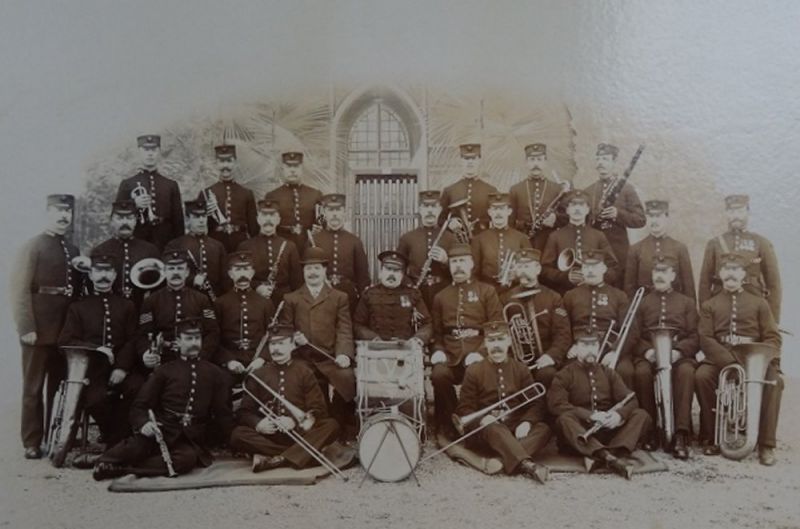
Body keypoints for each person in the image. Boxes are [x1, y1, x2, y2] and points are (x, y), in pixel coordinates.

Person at [92, 318, 233, 480]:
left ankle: (122, 469)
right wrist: (144, 424)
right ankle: (104, 462)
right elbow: (140, 406)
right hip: (162, 428)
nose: (194, 343)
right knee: (136, 446)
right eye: (188, 339)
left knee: (185, 460)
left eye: (197, 338)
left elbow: (223, 412)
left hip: (189, 437)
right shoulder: (165, 371)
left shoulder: (214, 374)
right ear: (178, 342)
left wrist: (234, 439)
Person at [695, 252, 782, 465]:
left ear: (744, 274)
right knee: (701, 376)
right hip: (722, 357)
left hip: (754, 358)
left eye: (735, 270)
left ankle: (766, 444)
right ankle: (711, 437)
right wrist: (728, 361)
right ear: (720, 274)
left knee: (775, 382)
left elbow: (773, 337)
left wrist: (764, 359)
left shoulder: (759, 303)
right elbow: (705, 338)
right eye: (726, 269)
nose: (730, 274)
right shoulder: (710, 305)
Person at [12, 194, 80, 459]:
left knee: (59, 387)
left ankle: (57, 438)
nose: (64, 216)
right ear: (47, 213)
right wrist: (26, 327)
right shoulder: (33, 246)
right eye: (58, 211)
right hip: (37, 331)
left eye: (67, 211)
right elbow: (18, 290)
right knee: (33, 388)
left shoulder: (73, 250)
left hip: (63, 332)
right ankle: (31, 441)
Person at [229, 324, 340, 472]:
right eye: (272, 344)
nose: (276, 349)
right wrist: (258, 424)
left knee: (331, 425)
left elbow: (319, 410)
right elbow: (244, 412)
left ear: (292, 345)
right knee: (237, 435)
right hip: (270, 436)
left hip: (300, 433)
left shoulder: (304, 372)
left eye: (281, 343)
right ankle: (303, 454)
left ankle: (278, 459)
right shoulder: (258, 375)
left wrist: (294, 421)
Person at [58, 253, 140, 446]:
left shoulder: (127, 306)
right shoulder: (78, 307)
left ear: (114, 275)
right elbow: (65, 340)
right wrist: (96, 349)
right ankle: (117, 440)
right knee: (96, 400)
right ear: (91, 275)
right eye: (98, 271)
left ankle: (117, 439)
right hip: (92, 372)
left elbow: (133, 339)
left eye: (108, 271)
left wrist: (122, 367)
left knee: (138, 388)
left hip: (122, 368)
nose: (103, 276)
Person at [548, 328, 652, 479]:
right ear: (576, 348)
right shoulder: (564, 375)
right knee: (564, 420)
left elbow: (631, 399)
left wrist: (618, 415)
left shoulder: (608, 372)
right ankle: (609, 457)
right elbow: (556, 405)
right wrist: (591, 416)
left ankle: (601, 456)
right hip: (581, 431)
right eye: (585, 345)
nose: (590, 350)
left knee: (641, 415)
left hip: (606, 430)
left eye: (594, 345)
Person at [454, 320, 552, 483]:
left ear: (509, 341)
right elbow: (464, 408)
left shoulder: (520, 369)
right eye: (491, 341)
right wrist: (481, 419)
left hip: (514, 427)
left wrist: (527, 422)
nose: (496, 345)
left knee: (544, 429)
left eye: (500, 340)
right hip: (486, 431)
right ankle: (528, 465)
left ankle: (502, 460)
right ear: (485, 343)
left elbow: (537, 404)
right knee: (494, 428)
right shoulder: (474, 370)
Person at [280, 247, 357, 437]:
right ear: (303, 272)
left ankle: (340, 425)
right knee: (303, 378)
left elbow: (344, 329)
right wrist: (295, 339)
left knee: (346, 377)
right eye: (308, 269)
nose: (312, 273)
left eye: (316, 268)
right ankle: (317, 428)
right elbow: (285, 329)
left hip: (330, 357)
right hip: (303, 358)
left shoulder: (339, 297)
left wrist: (344, 354)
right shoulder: (292, 298)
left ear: (324, 270)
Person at [430, 243, 503, 439]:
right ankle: (447, 423)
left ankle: (472, 423)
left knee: (475, 371)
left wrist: (480, 352)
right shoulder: (440, 296)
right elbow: (437, 333)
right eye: (454, 262)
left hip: (478, 351)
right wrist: (438, 349)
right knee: (438, 374)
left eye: (462, 261)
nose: (458, 266)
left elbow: (496, 327)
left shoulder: (486, 291)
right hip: (451, 353)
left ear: (471, 263)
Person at [629, 255, 699, 458]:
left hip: (677, 355)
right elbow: (634, 335)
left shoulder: (686, 302)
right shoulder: (642, 303)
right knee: (641, 372)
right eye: (656, 272)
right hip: (650, 354)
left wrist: (680, 351)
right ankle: (650, 431)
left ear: (673, 276)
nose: (659, 276)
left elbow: (695, 335)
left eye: (664, 272)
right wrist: (647, 351)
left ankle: (681, 433)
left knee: (686, 372)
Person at [699, 194, 781, 322]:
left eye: (740, 211)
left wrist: (773, 320)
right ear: (726, 213)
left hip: (753, 305)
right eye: (731, 211)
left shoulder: (761, 243)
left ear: (748, 212)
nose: (736, 215)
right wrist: (705, 317)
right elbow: (704, 284)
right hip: (720, 305)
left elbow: (773, 284)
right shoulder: (714, 244)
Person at [562, 249, 637, 386]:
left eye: (595, 267)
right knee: (567, 372)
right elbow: (563, 328)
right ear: (582, 270)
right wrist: (573, 346)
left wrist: (615, 351)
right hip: (580, 346)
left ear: (604, 268)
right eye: (586, 267)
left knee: (626, 371)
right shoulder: (570, 295)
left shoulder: (619, 295)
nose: (590, 271)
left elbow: (630, 329)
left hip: (609, 347)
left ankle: (625, 406)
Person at [136, 249, 220, 369]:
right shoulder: (151, 300)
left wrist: (202, 355)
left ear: (187, 272)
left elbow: (213, 332)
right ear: (164, 272)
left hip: (195, 359)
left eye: (180, 269)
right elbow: (143, 334)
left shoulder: (201, 299)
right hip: (163, 359)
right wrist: (146, 354)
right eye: (171, 269)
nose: (176, 273)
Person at [500, 248, 571, 388]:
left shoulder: (553, 297)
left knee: (547, 374)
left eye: (527, 266)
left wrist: (551, 355)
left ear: (538, 269)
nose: (522, 271)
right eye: (519, 266)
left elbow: (563, 333)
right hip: (516, 360)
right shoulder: (506, 298)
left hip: (545, 356)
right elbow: (502, 332)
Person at [583, 142, 646, 286]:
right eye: (598, 159)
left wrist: (618, 214)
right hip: (595, 252)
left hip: (619, 253)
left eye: (605, 159)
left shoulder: (626, 189)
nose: (601, 163)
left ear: (614, 162)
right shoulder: (588, 190)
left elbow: (641, 219)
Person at [214, 251, 276, 386]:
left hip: (258, 363)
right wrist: (228, 361)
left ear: (253, 273)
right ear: (230, 274)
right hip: (230, 366)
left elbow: (273, 335)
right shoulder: (220, 303)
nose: (242, 274)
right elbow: (214, 338)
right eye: (237, 269)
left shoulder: (265, 303)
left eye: (246, 269)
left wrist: (262, 359)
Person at [541, 189, 619, 295]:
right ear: (567, 210)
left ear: (587, 210)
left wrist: (597, 277)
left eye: (582, 205)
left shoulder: (598, 235)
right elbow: (545, 269)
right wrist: (565, 277)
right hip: (564, 294)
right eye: (573, 205)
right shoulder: (555, 236)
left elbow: (614, 267)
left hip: (594, 294)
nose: (577, 209)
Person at [115, 134, 184, 249]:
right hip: (137, 240)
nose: (150, 153)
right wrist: (134, 204)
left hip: (165, 241)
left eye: (154, 149)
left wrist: (178, 247)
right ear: (139, 151)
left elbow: (178, 222)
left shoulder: (171, 185)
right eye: (146, 149)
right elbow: (116, 217)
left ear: (159, 152)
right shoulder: (127, 184)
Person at [305, 193, 370, 312]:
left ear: (345, 212)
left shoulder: (354, 241)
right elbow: (306, 271)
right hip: (320, 295)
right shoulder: (314, 240)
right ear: (324, 212)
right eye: (330, 210)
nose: (334, 214)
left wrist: (362, 302)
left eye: (338, 210)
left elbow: (363, 276)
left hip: (348, 296)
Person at [353, 250, 432, 345]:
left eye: (396, 270)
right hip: (376, 350)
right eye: (388, 269)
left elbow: (427, 324)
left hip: (406, 349)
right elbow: (358, 324)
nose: (392, 274)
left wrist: (418, 339)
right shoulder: (369, 294)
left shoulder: (413, 294)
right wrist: (372, 338)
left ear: (402, 275)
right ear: (381, 272)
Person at [92, 200, 160, 310]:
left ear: (136, 221)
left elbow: (158, 286)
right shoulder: (100, 251)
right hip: (111, 309)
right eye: (119, 218)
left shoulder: (150, 250)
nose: (125, 222)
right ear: (111, 221)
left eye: (129, 218)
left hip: (142, 308)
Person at [397, 190, 457, 310]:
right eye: (426, 206)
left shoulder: (450, 238)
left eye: (434, 206)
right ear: (420, 209)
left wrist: (446, 261)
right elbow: (399, 268)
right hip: (417, 292)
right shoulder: (407, 238)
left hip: (443, 292)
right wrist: (410, 287)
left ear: (440, 209)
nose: (430, 210)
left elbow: (460, 270)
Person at [624, 199, 695, 300]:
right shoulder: (636, 249)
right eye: (650, 216)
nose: (654, 221)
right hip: (645, 307)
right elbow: (629, 287)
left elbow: (689, 287)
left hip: (674, 306)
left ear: (666, 218)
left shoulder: (679, 248)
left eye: (658, 216)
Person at [236, 198, 302, 306]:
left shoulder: (290, 246)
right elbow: (238, 277)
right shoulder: (245, 246)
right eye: (264, 215)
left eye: (272, 215)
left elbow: (297, 281)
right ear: (258, 219)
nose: (268, 219)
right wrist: (257, 287)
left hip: (283, 302)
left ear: (278, 220)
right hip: (254, 302)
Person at [509, 143, 569, 250]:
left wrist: (556, 219)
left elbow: (567, 217)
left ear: (545, 162)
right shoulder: (515, 189)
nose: (535, 164)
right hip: (523, 243)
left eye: (539, 159)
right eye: (532, 160)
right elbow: (510, 222)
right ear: (526, 163)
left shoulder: (557, 189)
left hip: (549, 243)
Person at [199, 144, 258, 252]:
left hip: (241, 245)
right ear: (216, 164)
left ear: (235, 163)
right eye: (221, 161)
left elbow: (253, 229)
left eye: (229, 161)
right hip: (215, 245)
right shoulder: (206, 193)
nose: (225, 166)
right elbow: (200, 227)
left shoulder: (246, 193)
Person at [470, 192, 532, 294]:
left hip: (515, 291)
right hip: (487, 292)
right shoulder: (479, 239)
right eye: (495, 209)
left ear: (509, 211)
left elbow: (530, 269)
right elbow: (474, 272)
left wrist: (517, 275)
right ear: (489, 212)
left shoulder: (522, 238)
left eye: (502, 209)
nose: (498, 213)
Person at [165, 199, 227, 300]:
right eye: (196, 217)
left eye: (204, 216)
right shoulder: (175, 244)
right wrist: (191, 279)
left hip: (213, 298)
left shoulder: (218, 246)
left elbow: (225, 279)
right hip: (186, 299)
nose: (201, 220)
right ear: (188, 219)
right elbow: (167, 272)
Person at [264, 151, 323, 250]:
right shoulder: (272, 196)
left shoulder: (315, 194)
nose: (292, 170)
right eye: (288, 167)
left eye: (296, 166)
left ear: (302, 169)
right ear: (282, 169)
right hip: (282, 247)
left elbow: (322, 225)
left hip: (308, 247)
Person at [439, 143, 499, 241]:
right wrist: (449, 223)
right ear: (461, 161)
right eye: (466, 159)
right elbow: (440, 219)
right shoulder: (449, 190)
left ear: (479, 160)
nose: (470, 162)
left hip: (484, 240)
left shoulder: (491, 190)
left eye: (474, 159)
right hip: (458, 244)